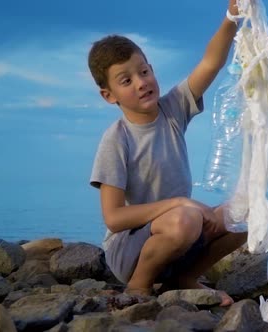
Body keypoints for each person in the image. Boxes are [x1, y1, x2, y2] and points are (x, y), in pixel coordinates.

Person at [87, 0, 247, 305]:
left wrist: (231, 17)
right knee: (184, 218)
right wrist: (179, 203)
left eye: (144, 71)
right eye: (127, 80)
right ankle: (139, 287)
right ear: (109, 96)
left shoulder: (172, 110)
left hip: (184, 232)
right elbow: (114, 218)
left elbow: (210, 63)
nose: (141, 83)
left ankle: (183, 278)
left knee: (248, 213)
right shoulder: (116, 140)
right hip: (131, 250)